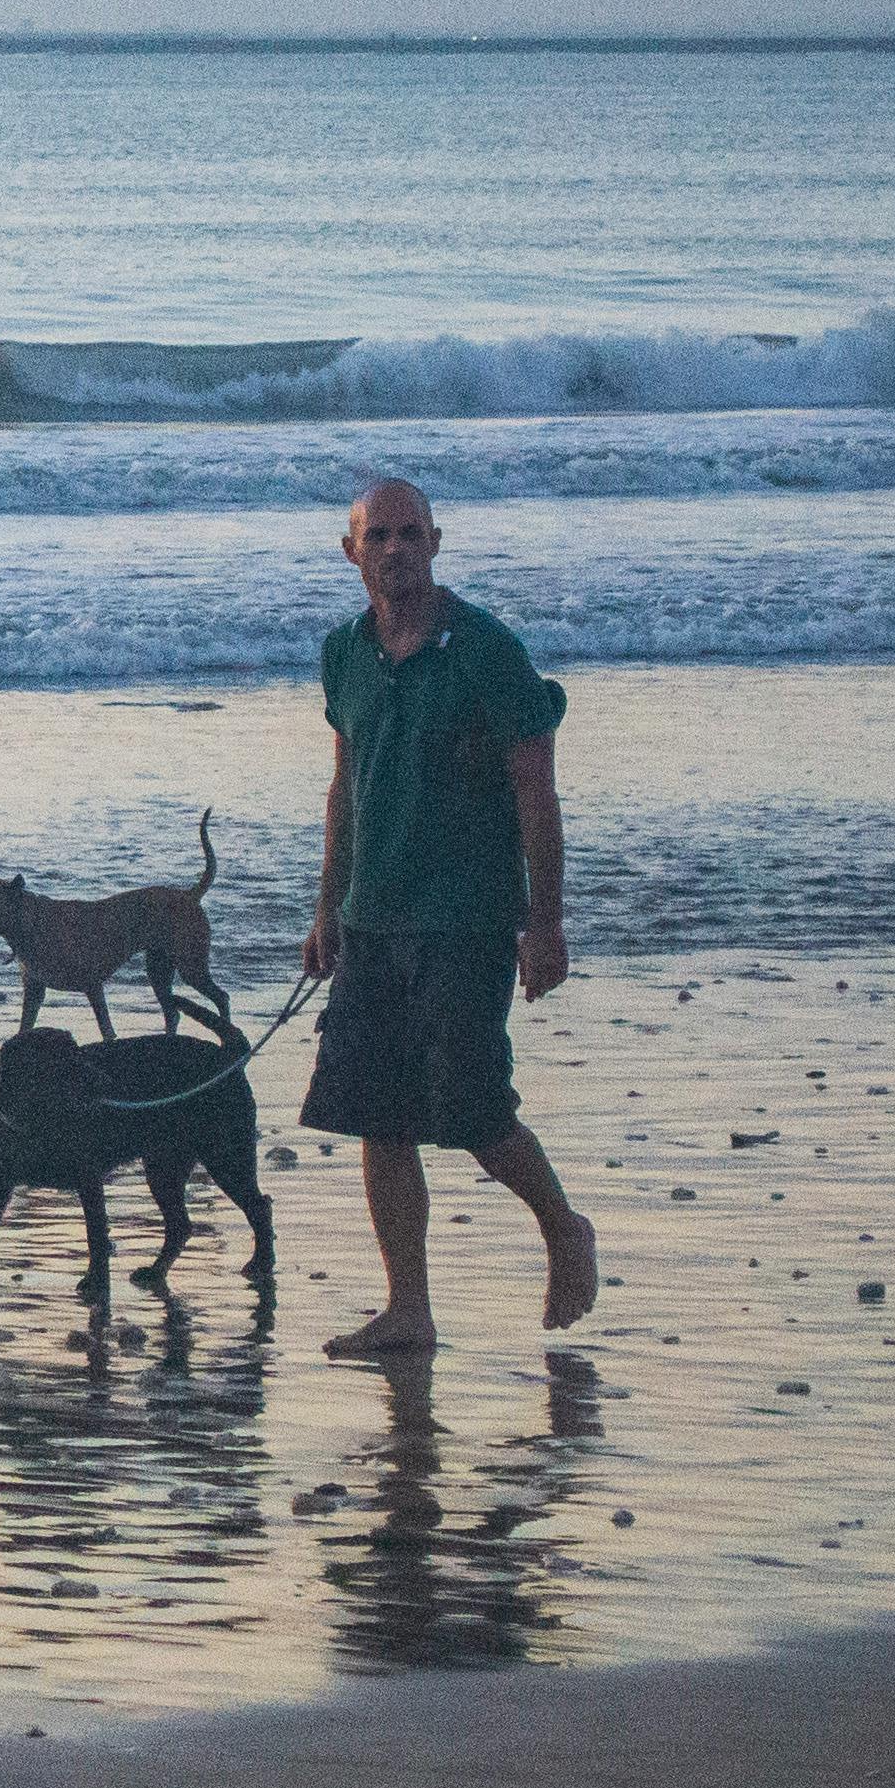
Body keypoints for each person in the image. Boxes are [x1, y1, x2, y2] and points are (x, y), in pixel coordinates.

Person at [300, 477, 600, 1356]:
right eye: (378, 536)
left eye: (410, 533)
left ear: (436, 542)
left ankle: (561, 1228)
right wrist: (326, 907)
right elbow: (343, 788)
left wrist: (544, 923)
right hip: (371, 921)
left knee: (469, 1110)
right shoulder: (344, 652)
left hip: (466, 919)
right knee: (375, 1114)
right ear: (349, 551)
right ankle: (408, 1308)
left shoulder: (486, 651)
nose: (395, 549)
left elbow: (536, 796)